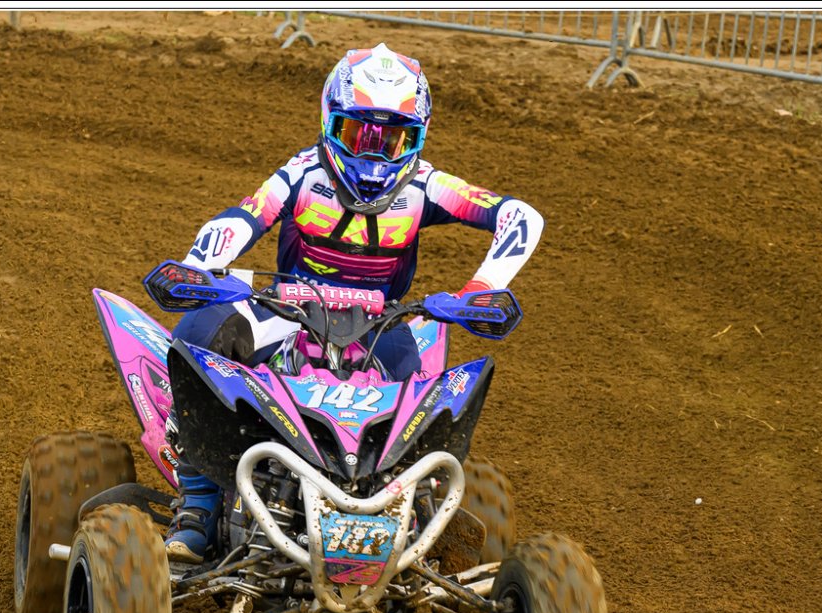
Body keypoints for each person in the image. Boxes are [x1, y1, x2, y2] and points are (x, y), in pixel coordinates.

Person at [164, 42, 545, 563]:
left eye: (392, 139)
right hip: (286, 311)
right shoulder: (303, 174)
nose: (373, 155)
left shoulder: (426, 185)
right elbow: (242, 218)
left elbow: (521, 216)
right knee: (198, 334)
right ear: (330, 122)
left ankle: (412, 521)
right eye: (357, 134)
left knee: (424, 413)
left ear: (417, 137)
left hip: (381, 323)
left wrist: (482, 286)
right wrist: (200, 266)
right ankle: (197, 505)